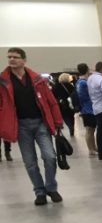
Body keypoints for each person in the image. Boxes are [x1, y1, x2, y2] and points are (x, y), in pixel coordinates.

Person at [0, 47, 64, 205]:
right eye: (9, 57)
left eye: (15, 57)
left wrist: (57, 122)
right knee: (30, 162)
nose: (11, 60)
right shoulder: (3, 81)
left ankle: (51, 187)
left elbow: (51, 102)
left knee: (50, 157)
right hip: (21, 125)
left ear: (24, 60)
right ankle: (40, 191)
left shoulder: (37, 79)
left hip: (41, 123)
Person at [75, 63, 98, 156]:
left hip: (87, 108)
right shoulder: (83, 82)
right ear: (87, 69)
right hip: (88, 108)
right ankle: (91, 149)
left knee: (92, 129)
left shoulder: (79, 82)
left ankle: (94, 147)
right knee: (89, 130)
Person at [51, 72, 76, 137]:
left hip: (61, 104)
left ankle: (70, 126)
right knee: (71, 116)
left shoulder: (55, 86)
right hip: (70, 103)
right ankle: (72, 126)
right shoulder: (70, 85)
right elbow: (74, 93)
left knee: (65, 116)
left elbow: (53, 95)